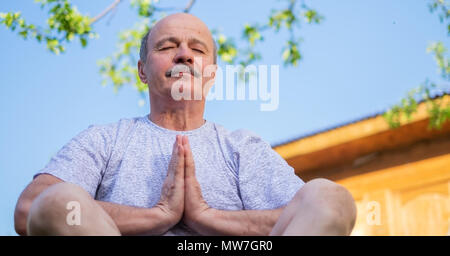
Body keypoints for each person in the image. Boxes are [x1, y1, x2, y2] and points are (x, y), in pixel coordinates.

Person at [14, 13, 356, 236]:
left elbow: (309, 217)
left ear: (211, 75)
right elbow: (30, 210)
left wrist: (206, 217)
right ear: (142, 70)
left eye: (197, 49)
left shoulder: (242, 147)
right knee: (58, 201)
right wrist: (158, 216)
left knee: (330, 197)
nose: (184, 55)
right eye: (167, 46)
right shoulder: (104, 139)